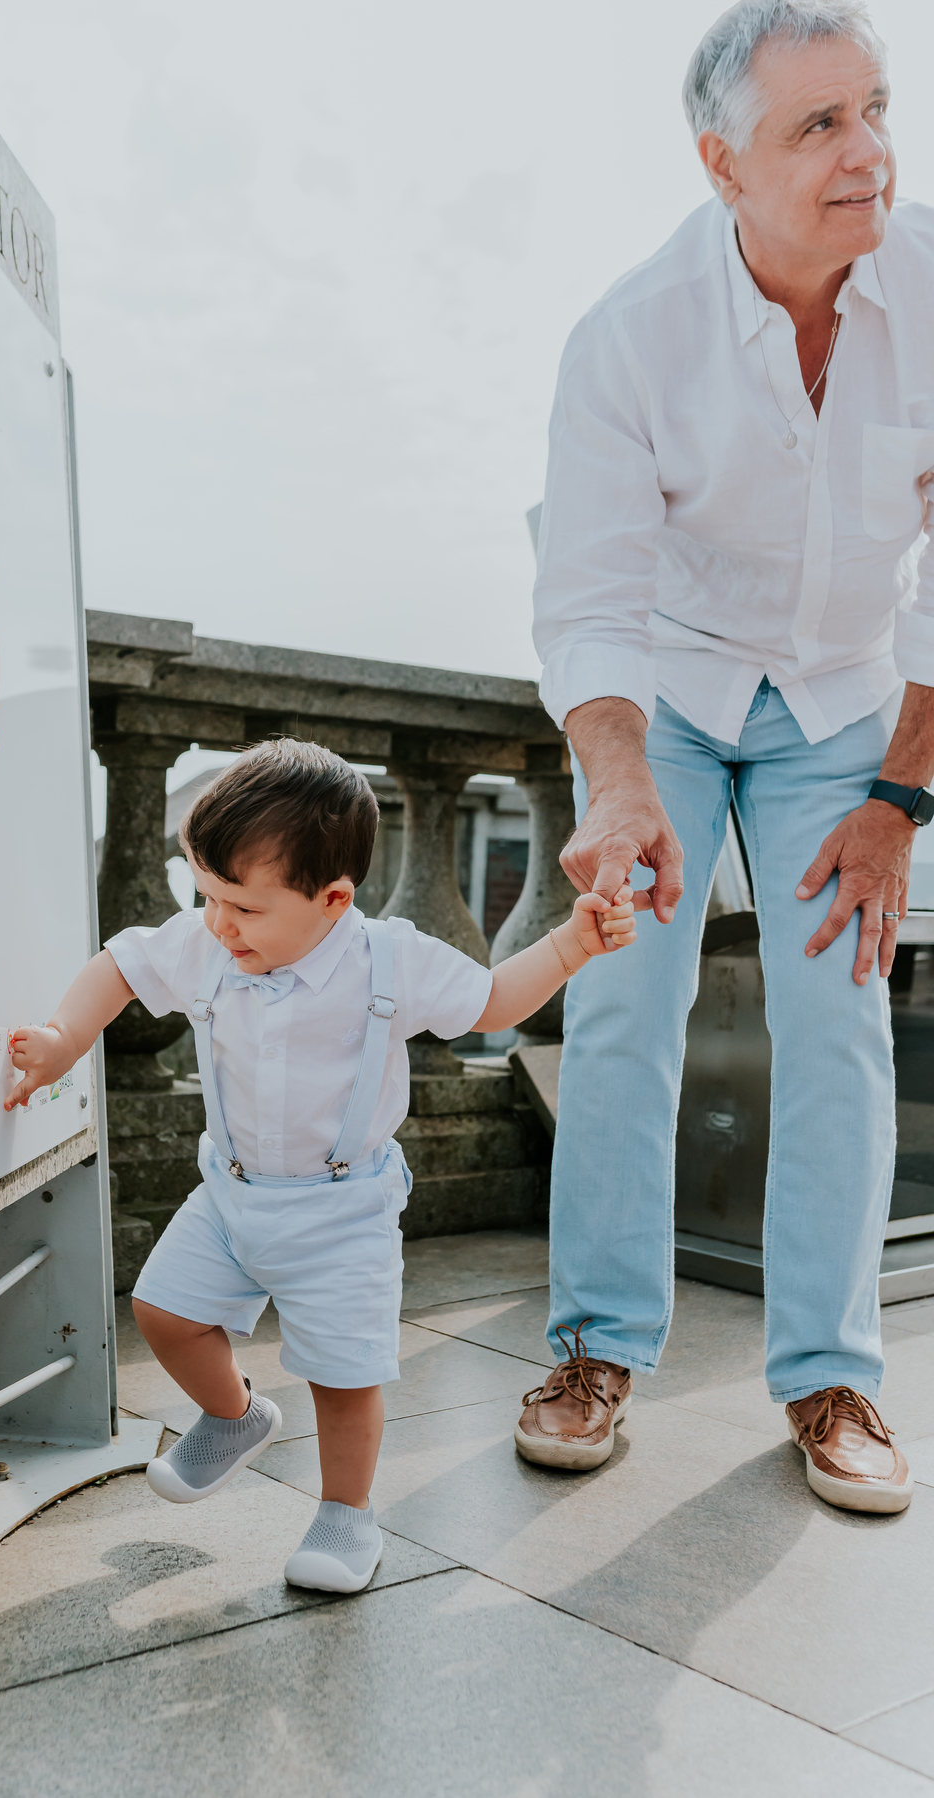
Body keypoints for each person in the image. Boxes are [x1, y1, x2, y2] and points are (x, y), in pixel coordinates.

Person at [523, 0, 934, 1514]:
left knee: (843, 1017)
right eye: (817, 125)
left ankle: (832, 1378)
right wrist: (622, 785)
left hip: (845, 697)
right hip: (671, 700)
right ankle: (594, 1346)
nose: (869, 152)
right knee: (630, 995)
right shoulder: (630, 338)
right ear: (722, 163)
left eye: (877, 107)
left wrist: (899, 796)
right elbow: (591, 594)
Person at [6, 739, 638, 1591]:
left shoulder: (391, 958)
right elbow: (119, 966)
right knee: (160, 1312)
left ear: (334, 899)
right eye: (206, 896)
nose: (219, 923)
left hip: (343, 1212)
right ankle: (233, 1418)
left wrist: (569, 945)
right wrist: (60, 1038)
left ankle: (346, 1515)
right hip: (230, 1193)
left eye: (243, 907)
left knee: (343, 1380)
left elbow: (490, 1000)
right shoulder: (207, 942)